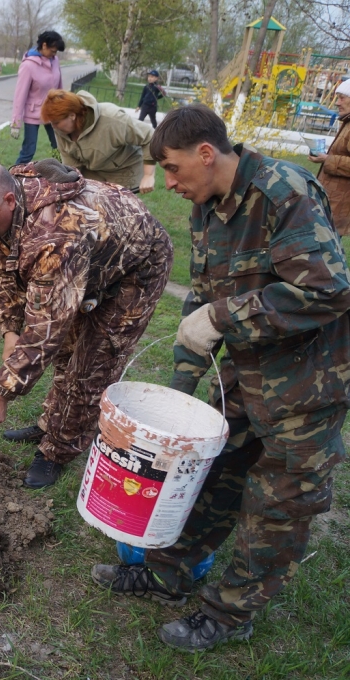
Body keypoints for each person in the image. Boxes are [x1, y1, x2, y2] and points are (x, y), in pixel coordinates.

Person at [91, 104, 350, 652]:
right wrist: (175, 398)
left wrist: (223, 318)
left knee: (275, 507)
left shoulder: (284, 193)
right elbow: (202, 306)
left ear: (206, 154)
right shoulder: (207, 205)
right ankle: (167, 574)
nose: (169, 182)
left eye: (173, 168)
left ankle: (230, 614)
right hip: (240, 377)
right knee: (206, 480)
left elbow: (328, 290)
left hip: (306, 387)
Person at [0, 159, 173, 489]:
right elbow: (4, 267)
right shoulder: (5, 202)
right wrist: (9, 329)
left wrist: (2, 393)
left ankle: (58, 450)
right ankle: (51, 423)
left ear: (8, 201)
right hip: (90, 255)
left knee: (92, 363)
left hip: (136, 268)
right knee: (67, 351)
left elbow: (46, 328)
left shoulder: (54, 238)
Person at [41, 89, 156, 193]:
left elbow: (149, 136)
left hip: (123, 169)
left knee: (117, 210)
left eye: (56, 122)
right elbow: (72, 165)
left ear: (72, 115)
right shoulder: (62, 129)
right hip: (94, 170)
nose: (53, 127)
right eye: (51, 122)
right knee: (89, 207)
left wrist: (148, 175)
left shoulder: (112, 119)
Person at [10, 31, 65, 165]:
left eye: (56, 51)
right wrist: (16, 123)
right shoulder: (28, 65)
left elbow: (59, 87)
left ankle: (62, 174)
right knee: (29, 150)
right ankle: (14, 177)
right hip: (33, 113)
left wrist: (63, 107)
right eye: (52, 51)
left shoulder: (55, 61)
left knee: (59, 147)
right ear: (44, 45)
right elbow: (20, 95)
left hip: (52, 112)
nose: (54, 54)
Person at [309, 78, 350, 235]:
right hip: (331, 201)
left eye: (342, 98)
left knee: (325, 253)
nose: (337, 103)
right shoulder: (347, 122)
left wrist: (328, 160)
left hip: (339, 204)